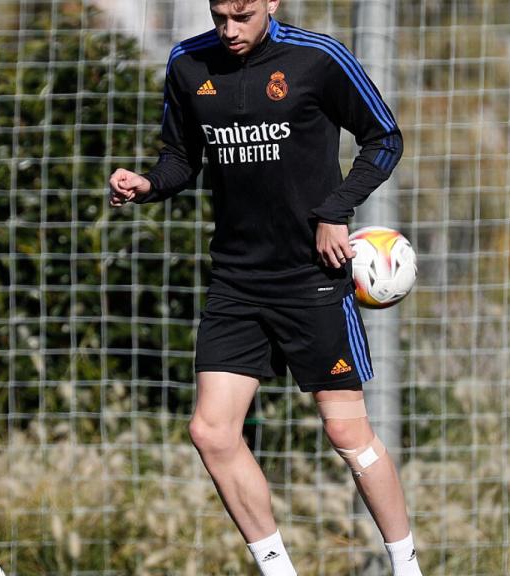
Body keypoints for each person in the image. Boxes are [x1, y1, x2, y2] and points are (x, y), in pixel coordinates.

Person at [108, 1, 422, 575]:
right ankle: (279, 570)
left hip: (313, 278)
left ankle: (406, 566)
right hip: (236, 280)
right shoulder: (187, 63)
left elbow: (385, 138)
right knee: (210, 431)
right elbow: (181, 158)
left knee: (347, 433)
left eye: (244, 15)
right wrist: (148, 183)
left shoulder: (317, 58)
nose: (229, 30)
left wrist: (336, 210)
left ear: (272, 2)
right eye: (219, 14)